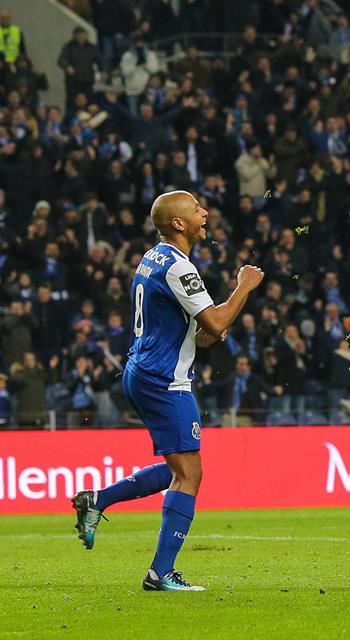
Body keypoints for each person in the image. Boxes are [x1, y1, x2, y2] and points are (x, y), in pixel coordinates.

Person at [70, 190, 264, 592]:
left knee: (182, 469)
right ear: (178, 223)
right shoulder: (179, 268)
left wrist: (215, 320)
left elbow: (203, 331)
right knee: (190, 475)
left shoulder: (153, 257)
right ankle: (161, 573)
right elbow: (215, 324)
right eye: (196, 209)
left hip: (141, 372)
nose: (204, 213)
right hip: (164, 381)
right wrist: (244, 286)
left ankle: (98, 500)